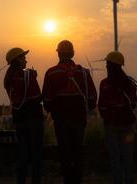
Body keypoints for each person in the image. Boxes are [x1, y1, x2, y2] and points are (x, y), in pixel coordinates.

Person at [42, 40, 97, 184]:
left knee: (65, 153)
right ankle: (78, 180)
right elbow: (92, 98)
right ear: (72, 53)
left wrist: (54, 111)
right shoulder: (83, 73)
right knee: (78, 151)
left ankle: (68, 180)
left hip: (61, 121)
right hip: (79, 119)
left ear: (58, 54)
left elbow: (47, 100)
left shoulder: (51, 73)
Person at [4, 47, 44, 184]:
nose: (26, 60)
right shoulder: (28, 75)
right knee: (36, 153)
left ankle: (20, 181)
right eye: (23, 57)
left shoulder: (7, 79)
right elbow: (37, 97)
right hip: (34, 119)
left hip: (19, 119)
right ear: (17, 60)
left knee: (22, 152)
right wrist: (33, 76)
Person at [98, 51, 137, 184]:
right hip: (128, 126)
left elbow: (102, 107)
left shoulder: (104, 84)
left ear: (111, 65)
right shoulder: (130, 83)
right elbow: (133, 104)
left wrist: (108, 117)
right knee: (128, 159)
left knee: (115, 160)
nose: (105, 66)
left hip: (111, 127)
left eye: (107, 63)